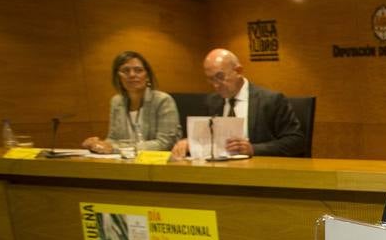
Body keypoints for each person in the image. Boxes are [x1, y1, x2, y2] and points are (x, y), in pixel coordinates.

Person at [171, 48, 304, 158]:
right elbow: (205, 139)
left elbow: (295, 141)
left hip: (259, 172)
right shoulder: (211, 102)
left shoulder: (271, 100)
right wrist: (190, 142)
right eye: (210, 79)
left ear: (238, 71)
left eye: (220, 77)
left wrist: (254, 149)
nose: (215, 85)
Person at [82, 51, 180, 153]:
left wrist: (118, 149)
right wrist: (97, 144)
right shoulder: (116, 102)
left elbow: (165, 143)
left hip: (156, 163)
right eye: (125, 70)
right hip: (125, 162)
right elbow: (113, 139)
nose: (132, 75)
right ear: (118, 77)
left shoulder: (162, 100)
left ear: (147, 76)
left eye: (138, 70)